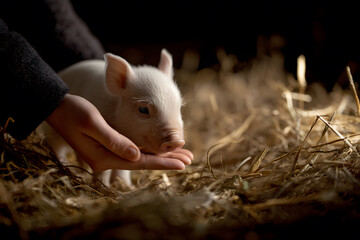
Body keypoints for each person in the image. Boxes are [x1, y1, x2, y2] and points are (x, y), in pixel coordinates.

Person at [0, 2, 192, 172]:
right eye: (144, 110)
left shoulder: (124, 95)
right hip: (62, 89)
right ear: (119, 81)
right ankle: (58, 163)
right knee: (59, 146)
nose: (174, 137)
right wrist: (51, 99)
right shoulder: (103, 102)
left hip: (69, 62)